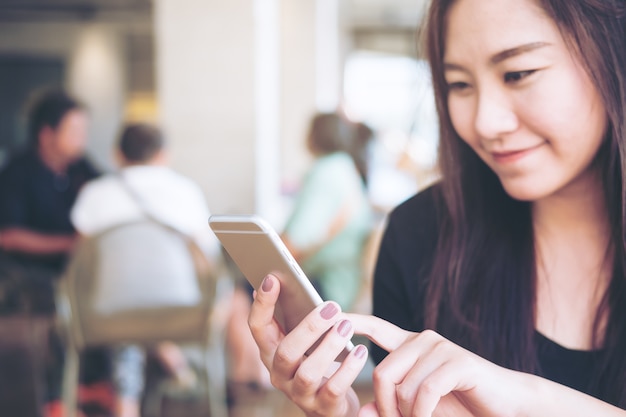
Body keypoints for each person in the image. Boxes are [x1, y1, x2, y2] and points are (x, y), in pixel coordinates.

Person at [247, 0, 626, 416]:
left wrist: (522, 401)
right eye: (459, 85)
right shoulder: (419, 238)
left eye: (518, 74)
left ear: (612, 53)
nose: (484, 122)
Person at [70, 123, 219, 417]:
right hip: (182, 313)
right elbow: (207, 259)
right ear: (164, 155)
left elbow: (81, 260)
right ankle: (171, 357)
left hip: (108, 314)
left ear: (117, 155)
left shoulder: (95, 194)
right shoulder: (186, 192)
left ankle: (128, 407)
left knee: (126, 316)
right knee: (144, 312)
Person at [282, 112, 374, 311]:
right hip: (343, 282)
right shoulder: (346, 167)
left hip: (326, 284)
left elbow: (293, 244)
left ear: (315, 136)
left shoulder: (327, 172)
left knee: (241, 297)